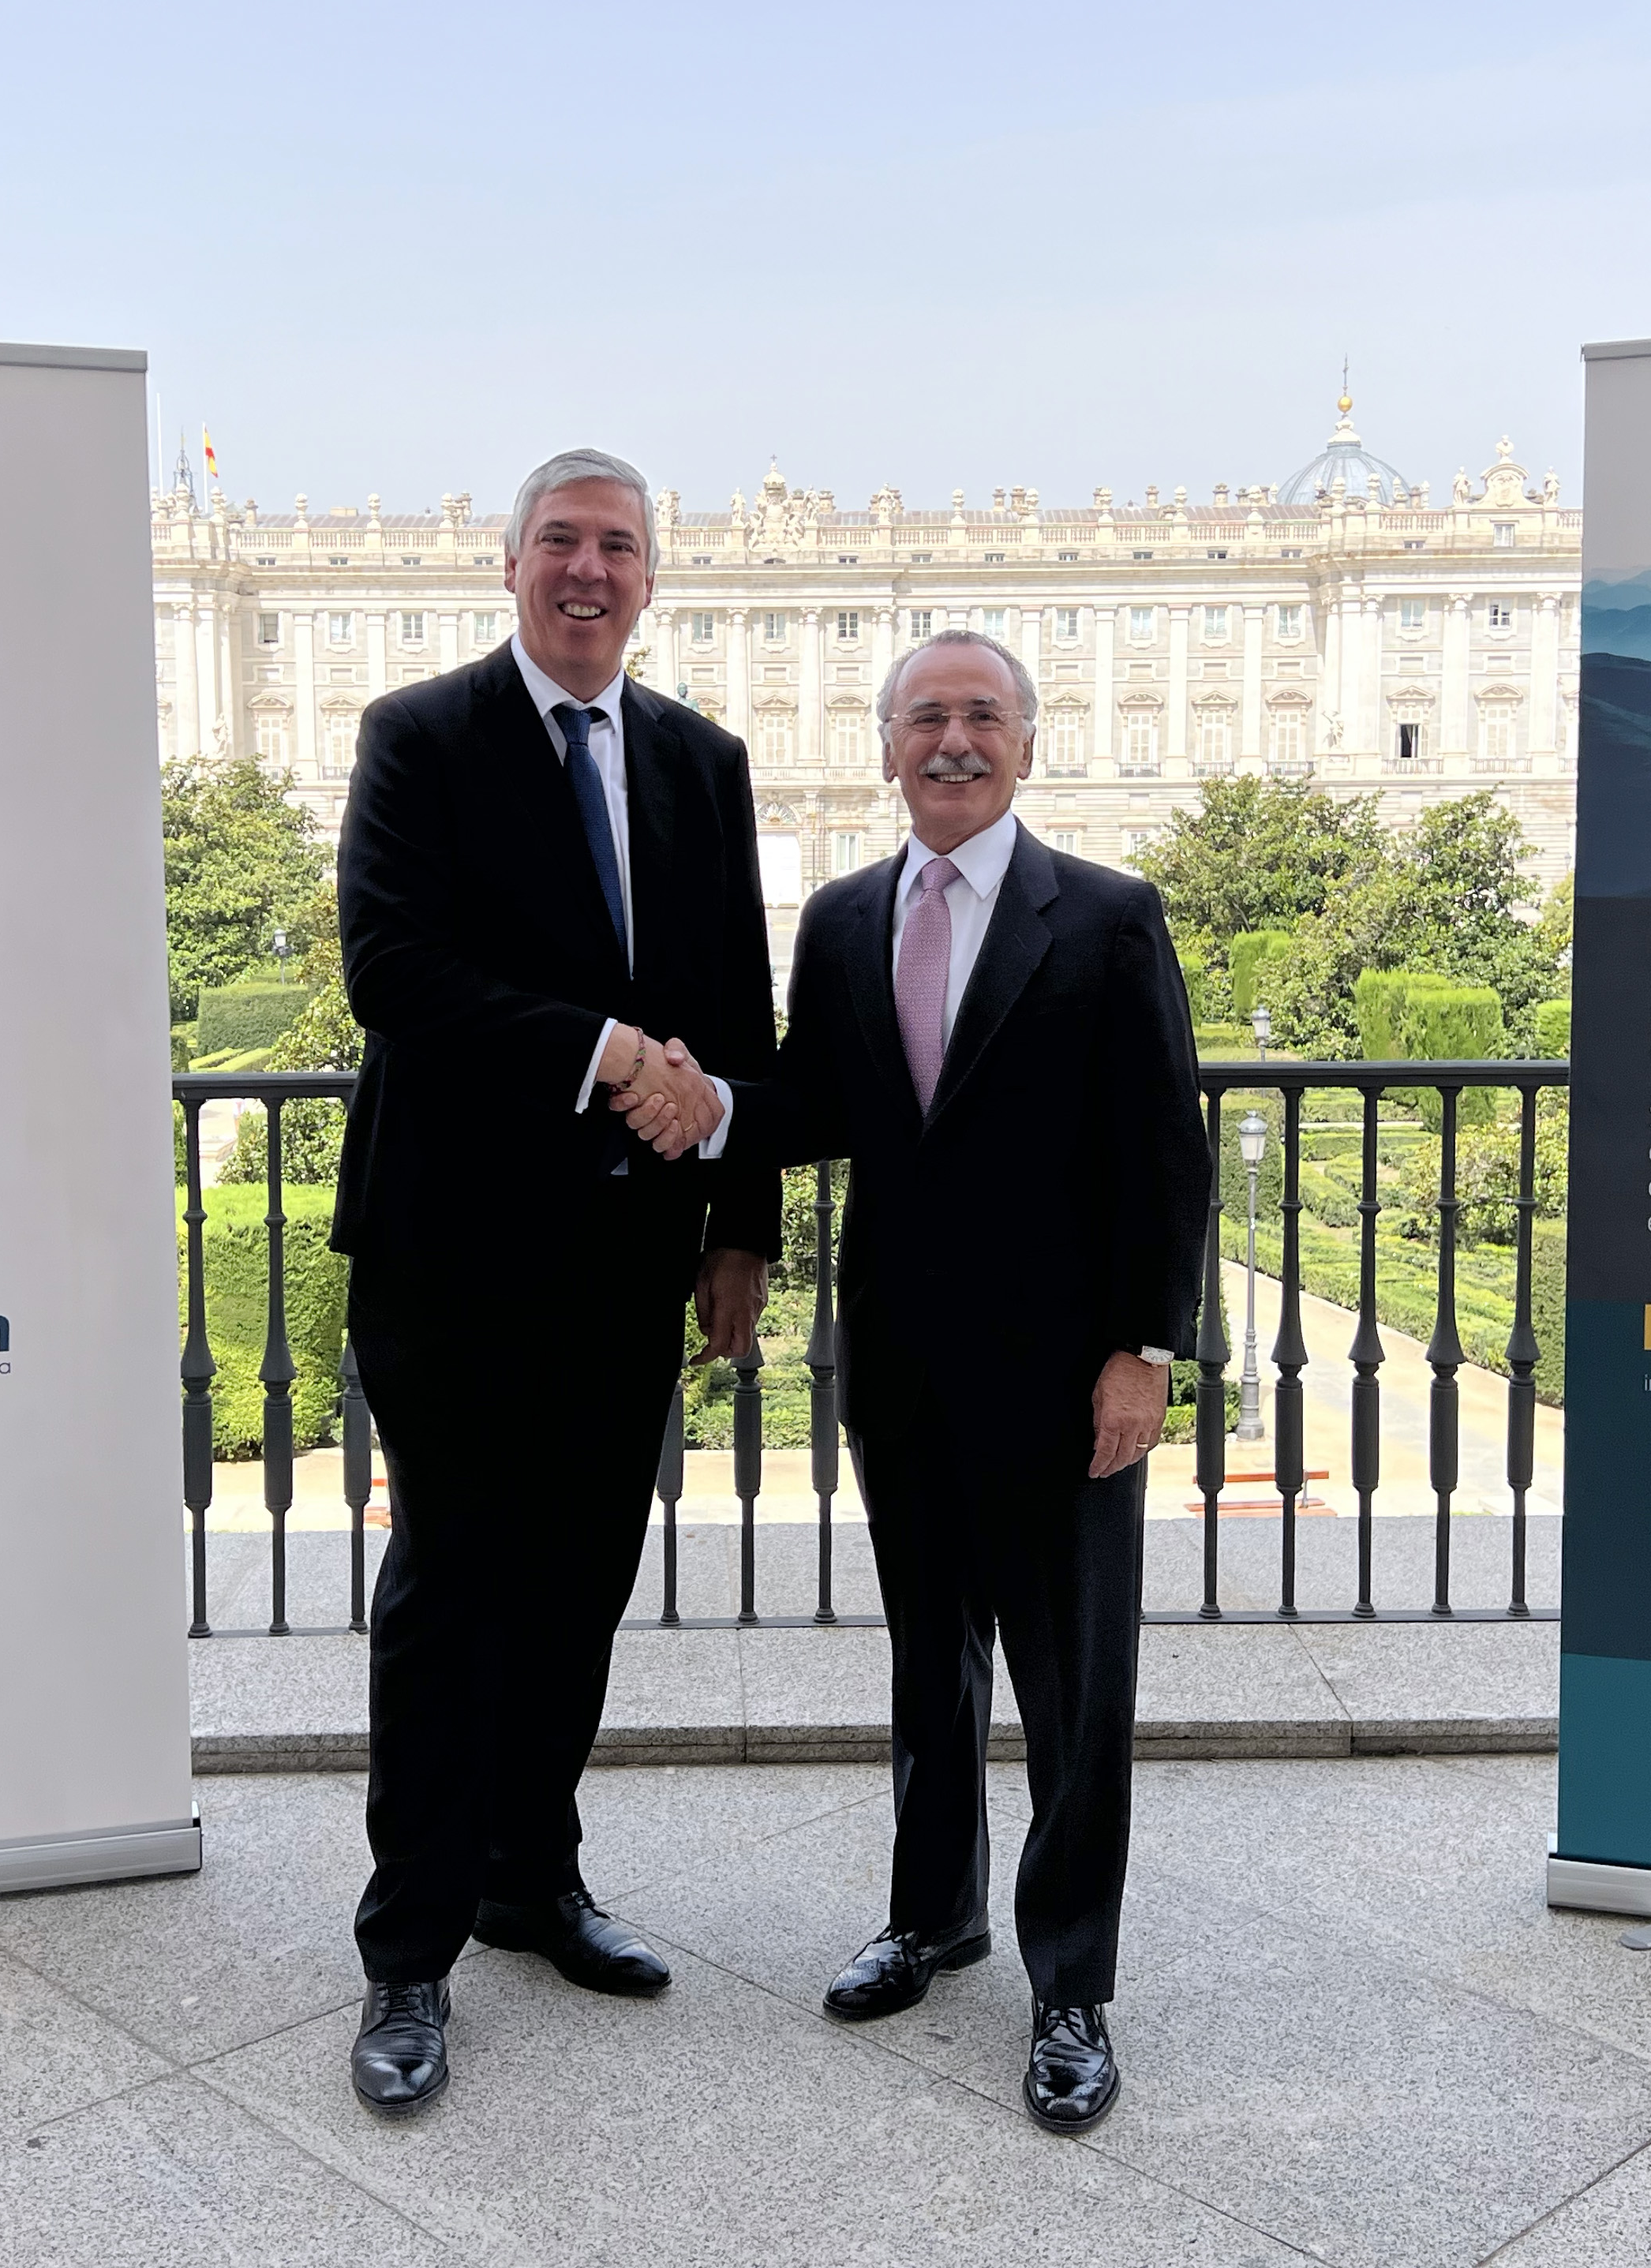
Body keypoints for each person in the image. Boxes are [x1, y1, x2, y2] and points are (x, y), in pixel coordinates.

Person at [617, 628, 1207, 2133]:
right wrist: (709, 1103)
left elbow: (1163, 1150)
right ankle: (931, 1916)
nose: (954, 740)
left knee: (1072, 1693)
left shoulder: (1110, 914)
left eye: (982, 715)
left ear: (1027, 743)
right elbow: (816, 1102)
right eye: (926, 716)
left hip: (1065, 1377)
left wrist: (1143, 1350)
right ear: (884, 746)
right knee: (928, 1667)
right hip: (899, 1361)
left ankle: (1070, 1983)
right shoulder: (840, 916)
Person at [331, 447, 769, 2115]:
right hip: (449, 1248)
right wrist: (602, 1051)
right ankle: (409, 1950)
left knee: (581, 1583)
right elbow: (390, 968)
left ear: (652, 576)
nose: (590, 570)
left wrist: (738, 1226)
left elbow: (734, 1000)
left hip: (626, 1251)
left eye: (619, 547)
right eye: (562, 542)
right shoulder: (418, 735)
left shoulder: (702, 761)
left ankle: (532, 1879)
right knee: (452, 1592)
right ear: (508, 564)